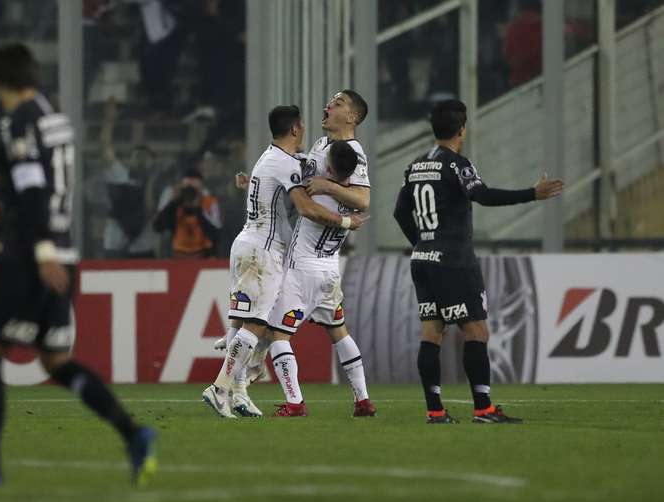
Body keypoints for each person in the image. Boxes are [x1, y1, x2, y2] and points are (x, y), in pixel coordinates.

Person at [0, 43, 156, 487]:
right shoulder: (54, 119)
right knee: (55, 359)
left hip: (29, 254)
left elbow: (30, 187)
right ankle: (134, 434)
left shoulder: (16, 120)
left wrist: (37, 251)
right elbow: (35, 188)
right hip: (60, 250)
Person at [393, 99, 563, 424]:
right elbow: (482, 195)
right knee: (476, 331)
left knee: (431, 332)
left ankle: (435, 410)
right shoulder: (458, 164)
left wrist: (423, 243)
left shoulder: (414, 166)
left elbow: (400, 212)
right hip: (454, 261)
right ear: (462, 129)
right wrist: (532, 193)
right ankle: (483, 408)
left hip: (423, 260)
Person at [201, 105, 365, 419]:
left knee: (250, 322)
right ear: (294, 129)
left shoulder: (270, 157)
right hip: (263, 249)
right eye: (301, 125)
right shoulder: (286, 163)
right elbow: (305, 208)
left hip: (251, 246)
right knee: (257, 324)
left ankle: (238, 393)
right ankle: (220, 388)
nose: (305, 129)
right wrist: (346, 223)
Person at [267, 141, 377, 418]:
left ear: (328, 166)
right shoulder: (350, 195)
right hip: (330, 270)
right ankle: (363, 400)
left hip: (303, 271)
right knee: (339, 331)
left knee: (278, 336)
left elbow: (306, 208)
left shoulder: (318, 196)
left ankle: (295, 403)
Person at [98, 97, 160, 258]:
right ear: (129, 160)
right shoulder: (121, 176)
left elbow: (152, 210)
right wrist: (109, 121)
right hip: (116, 249)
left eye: (145, 157)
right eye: (137, 155)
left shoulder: (157, 183)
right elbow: (105, 146)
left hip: (143, 251)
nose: (141, 159)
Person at [152, 168, 222, 259]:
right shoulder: (174, 201)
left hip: (203, 253)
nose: (190, 193)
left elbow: (216, 233)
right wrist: (174, 202)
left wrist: (198, 209)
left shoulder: (209, 201)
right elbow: (158, 226)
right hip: (176, 253)